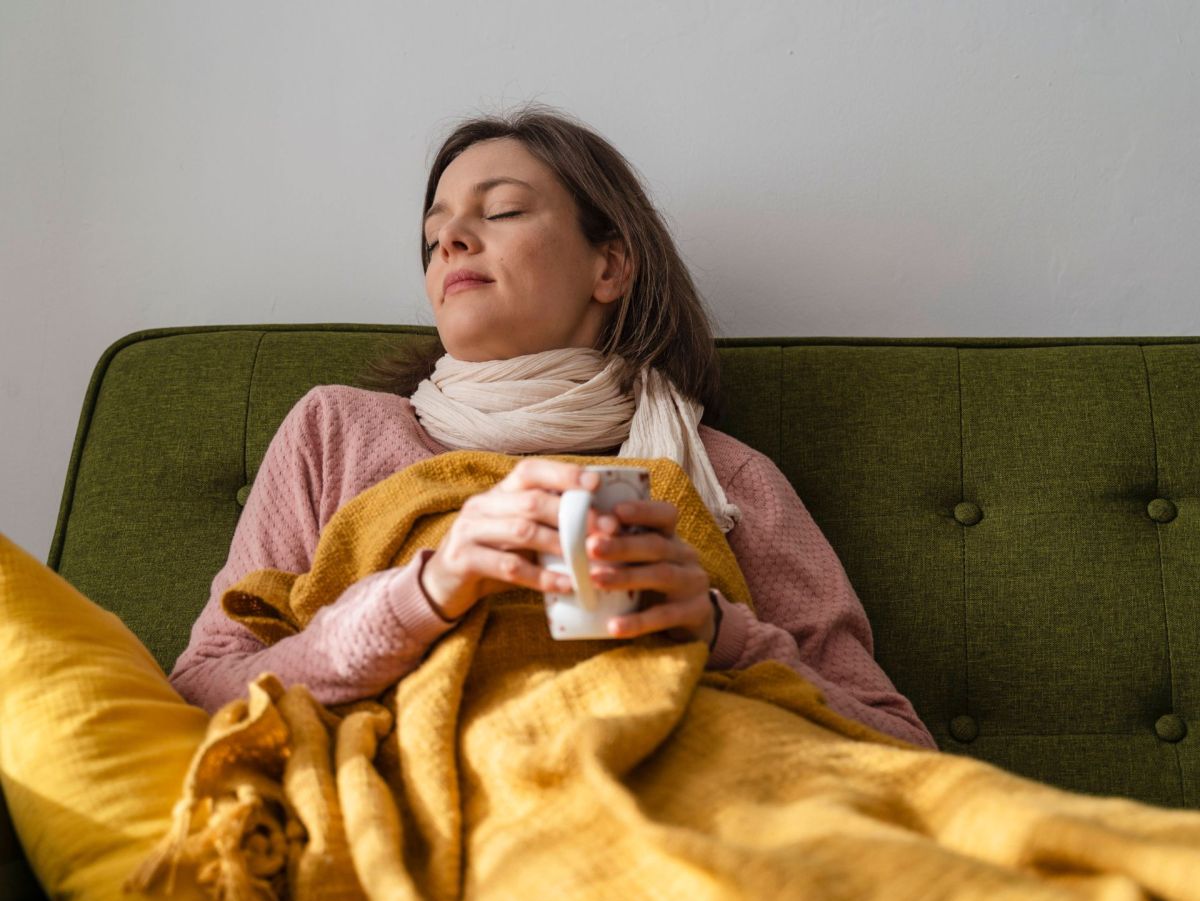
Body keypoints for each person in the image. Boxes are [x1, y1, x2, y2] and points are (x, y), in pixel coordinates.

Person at [169, 104, 935, 750]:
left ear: (610, 267)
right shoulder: (336, 431)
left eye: (498, 212)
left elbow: (900, 745)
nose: (450, 241)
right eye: (435, 231)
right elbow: (202, 687)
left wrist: (716, 631)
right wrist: (424, 594)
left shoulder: (722, 480)